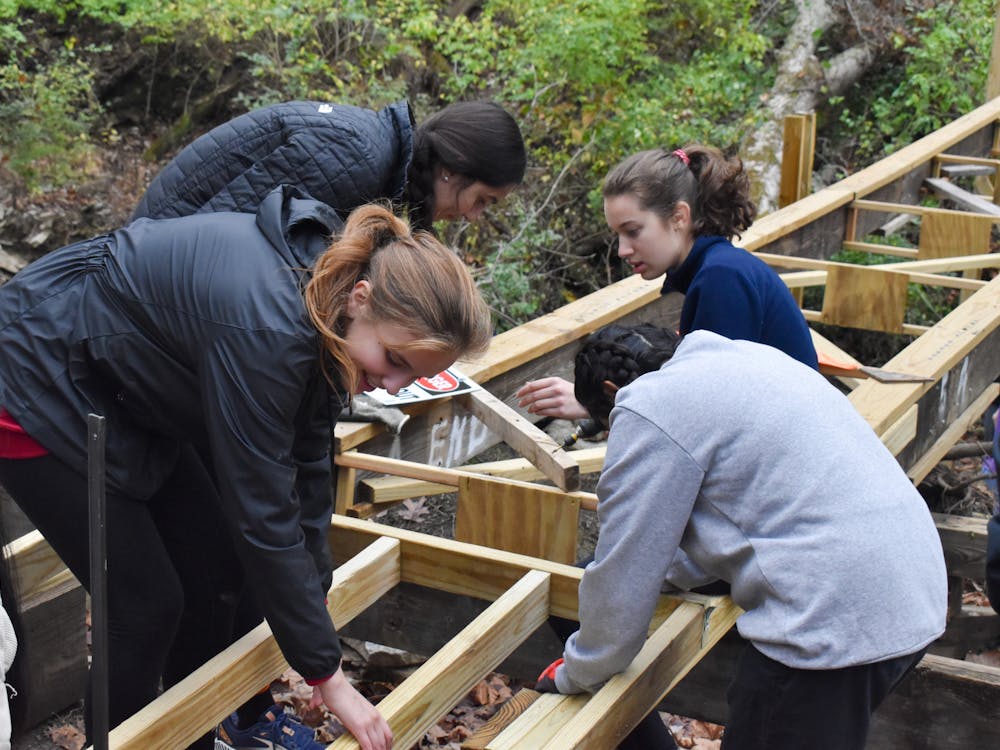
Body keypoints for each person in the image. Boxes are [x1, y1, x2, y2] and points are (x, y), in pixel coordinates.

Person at [0, 191, 493, 750]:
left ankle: (192, 738)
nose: (396, 386)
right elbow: (261, 513)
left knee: (215, 572)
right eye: (397, 362)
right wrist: (328, 676)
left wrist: (317, 610)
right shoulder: (270, 333)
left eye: (414, 376)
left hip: (120, 384)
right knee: (144, 605)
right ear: (363, 298)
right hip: (36, 375)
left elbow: (307, 463)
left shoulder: (328, 308)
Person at [534, 323, 947, 750]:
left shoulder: (648, 406)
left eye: (606, 426)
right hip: (912, 589)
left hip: (831, 615)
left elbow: (624, 572)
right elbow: (742, 513)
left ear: (610, 391)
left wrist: (576, 671)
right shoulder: (745, 359)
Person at [516, 144, 817, 423]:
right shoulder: (716, 269)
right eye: (617, 235)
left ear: (679, 217)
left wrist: (598, 405)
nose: (622, 250)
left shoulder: (722, 279)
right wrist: (598, 406)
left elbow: (712, 415)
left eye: (632, 231)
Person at [132, 99, 527, 230]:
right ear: (453, 169)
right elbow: (227, 240)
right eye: (483, 200)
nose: (476, 216)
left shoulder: (379, 161)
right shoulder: (359, 158)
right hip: (151, 251)